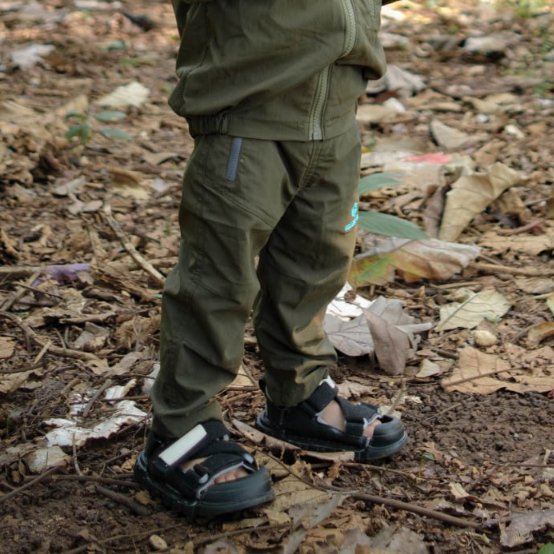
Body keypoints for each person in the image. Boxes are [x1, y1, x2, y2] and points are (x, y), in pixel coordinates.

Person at [134, 0, 407, 519]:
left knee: (315, 263)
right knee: (219, 278)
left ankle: (298, 391)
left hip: (337, 111)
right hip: (249, 106)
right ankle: (182, 426)